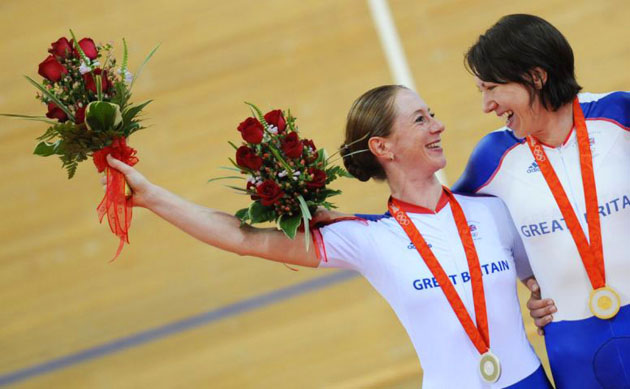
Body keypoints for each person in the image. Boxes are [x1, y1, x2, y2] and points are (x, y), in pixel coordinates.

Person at [104, 85, 552, 388]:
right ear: (383, 147)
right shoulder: (366, 238)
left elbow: (549, 276)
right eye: (420, 119)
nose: (438, 126)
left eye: (432, 115)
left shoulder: (492, 210)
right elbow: (243, 238)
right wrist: (153, 198)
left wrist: (545, 298)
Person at [453, 14, 630, 388]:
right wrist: (528, 281)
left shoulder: (620, 116)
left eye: (492, 89)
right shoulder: (492, 156)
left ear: (535, 77)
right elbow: (443, 226)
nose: (487, 105)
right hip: (573, 345)